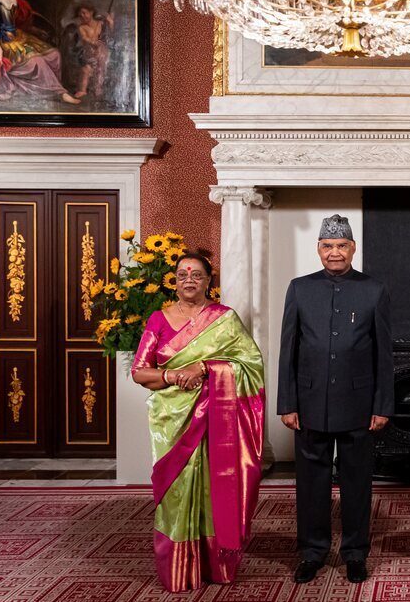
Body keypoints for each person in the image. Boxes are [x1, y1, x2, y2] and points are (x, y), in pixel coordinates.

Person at [131, 253, 265, 593]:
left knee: (214, 489)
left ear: (209, 281)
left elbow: (251, 365)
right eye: (181, 274)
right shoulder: (158, 319)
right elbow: (139, 371)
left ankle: (217, 564)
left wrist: (205, 368)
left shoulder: (225, 319)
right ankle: (179, 569)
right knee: (176, 494)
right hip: (171, 422)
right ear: (174, 281)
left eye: (196, 274)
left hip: (219, 423)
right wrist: (174, 374)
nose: (188, 279)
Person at [278, 215, 394, 585]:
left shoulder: (374, 289)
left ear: (353, 248)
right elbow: (288, 350)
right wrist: (287, 402)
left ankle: (355, 552)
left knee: (357, 482)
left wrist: (382, 405)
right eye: (328, 246)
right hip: (309, 403)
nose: (335, 253)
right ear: (318, 249)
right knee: (310, 483)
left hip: (359, 403)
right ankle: (312, 552)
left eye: (342, 246)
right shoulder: (299, 288)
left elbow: (384, 354)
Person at [70, 3, 114, 99]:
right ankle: (82, 90)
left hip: (101, 52)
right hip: (89, 54)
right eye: (80, 14)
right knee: (85, 70)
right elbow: (84, 38)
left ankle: (98, 90)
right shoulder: (81, 27)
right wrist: (93, 42)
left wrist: (110, 23)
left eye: (84, 13)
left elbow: (109, 35)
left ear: (91, 12)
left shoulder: (101, 23)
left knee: (100, 70)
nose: (82, 16)